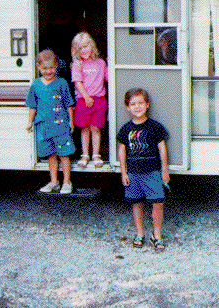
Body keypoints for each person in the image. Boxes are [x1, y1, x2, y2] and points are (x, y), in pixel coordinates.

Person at [117, 88, 170, 251]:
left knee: (158, 203)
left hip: (153, 172)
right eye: (133, 104)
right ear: (127, 107)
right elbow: (122, 151)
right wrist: (124, 172)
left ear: (147, 105)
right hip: (133, 174)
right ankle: (140, 233)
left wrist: (164, 171)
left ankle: (157, 235)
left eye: (141, 103)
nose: (137, 107)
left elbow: (162, 149)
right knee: (137, 203)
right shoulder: (126, 129)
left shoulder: (155, 127)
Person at [25, 49, 75, 194]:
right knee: (51, 156)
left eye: (52, 68)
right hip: (44, 127)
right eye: (45, 68)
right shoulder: (35, 85)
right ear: (38, 67)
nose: (48, 71)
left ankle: (67, 182)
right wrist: (30, 122)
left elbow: (69, 104)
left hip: (61, 125)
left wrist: (71, 122)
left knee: (64, 154)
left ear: (57, 66)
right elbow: (32, 106)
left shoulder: (61, 83)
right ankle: (54, 181)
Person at [71, 32, 108, 168]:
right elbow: (77, 82)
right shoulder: (77, 64)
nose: (84, 50)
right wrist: (86, 97)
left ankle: (96, 154)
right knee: (85, 129)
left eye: (86, 46)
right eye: (80, 48)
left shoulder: (100, 63)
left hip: (98, 100)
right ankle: (85, 154)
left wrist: (110, 64)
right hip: (83, 100)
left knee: (96, 128)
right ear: (76, 50)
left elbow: (107, 78)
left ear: (91, 46)